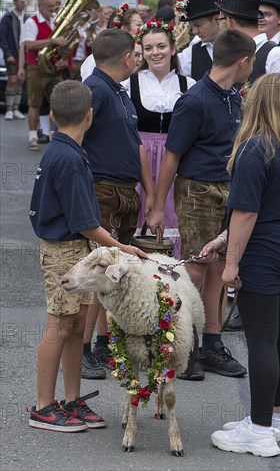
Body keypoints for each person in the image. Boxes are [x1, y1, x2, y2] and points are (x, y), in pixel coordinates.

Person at [28, 80, 146, 432]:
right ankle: (44, 406)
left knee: (78, 326)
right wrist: (122, 248)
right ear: (91, 116)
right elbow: (87, 223)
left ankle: (72, 400)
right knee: (60, 325)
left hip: (72, 248)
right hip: (65, 250)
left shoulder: (64, 151)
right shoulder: (70, 159)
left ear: (51, 116)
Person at [205, 73, 280, 457]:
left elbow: (247, 213)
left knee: (261, 338)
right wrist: (222, 239)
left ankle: (260, 429)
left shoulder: (254, 148)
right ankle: (277, 418)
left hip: (263, 249)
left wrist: (230, 263)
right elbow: (262, 207)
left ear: (259, 102)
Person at [148, 29, 255, 380]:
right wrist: (158, 205)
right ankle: (180, 345)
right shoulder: (194, 101)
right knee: (195, 268)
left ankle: (210, 344)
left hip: (229, 190)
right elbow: (171, 157)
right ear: (243, 62)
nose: (251, 67)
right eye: (251, 62)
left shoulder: (233, 95)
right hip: (197, 191)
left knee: (219, 272)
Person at [80, 29, 155, 380]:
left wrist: (150, 192)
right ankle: (82, 348)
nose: (138, 59)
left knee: (112, 273)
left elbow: (133, 143)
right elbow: (71, 139)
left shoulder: (118, 91)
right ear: (127, 58)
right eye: (136, 54)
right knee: (98, 271)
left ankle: (102, 341)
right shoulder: (95, 90)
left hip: (123, 193)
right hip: (103, 191)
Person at [124, 18, 196, 257]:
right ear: (141, 52)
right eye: (148, 48)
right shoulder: (128, 85)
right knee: (138, 220)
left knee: (174, 217)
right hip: (139, 161)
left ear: (173, 49)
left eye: (161, 46)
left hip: (177, 163)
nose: (155, 53)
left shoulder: (189, 85)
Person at [18, 0, 68, 150]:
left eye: (54, 6)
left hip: (54, 69)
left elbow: (60, 47)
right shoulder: (32, 22)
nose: (53, 9)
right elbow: (29, 45)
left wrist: (62, 59)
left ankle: (55, 136)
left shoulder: (55, 21)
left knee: (58, 102)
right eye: (50, 7)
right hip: (37, 68)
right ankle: (33, 137)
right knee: (35, 103)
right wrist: (53, 40)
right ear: (40, 6)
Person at [216, 0, 280, 85]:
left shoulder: (276, 55)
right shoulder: (231, 51)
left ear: (229, 22)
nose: (218, 25)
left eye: (220, 19)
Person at [80, 4, 142, 81]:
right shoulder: (95, 60)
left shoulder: (138, 55)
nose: (142, 29)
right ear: (124, 29)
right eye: (139, 25)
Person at [177, 0, 221, 80]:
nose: (194, 31)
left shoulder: (241, 46)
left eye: (198, 25)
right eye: (192, 27)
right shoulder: (188, 56)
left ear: (217, 19)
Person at [0, 0, 28, 120]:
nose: (24, 4)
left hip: (24, 54)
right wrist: (7, 54)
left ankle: (16, 108)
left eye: (25, 2)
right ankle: (9, 109)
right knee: (12, 81)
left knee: (20, 81)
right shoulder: (8, 18)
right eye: (21, 2)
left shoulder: (27, 18)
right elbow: (2, 37)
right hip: (12, 54)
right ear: (15, 2)